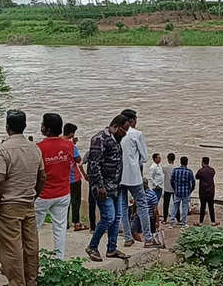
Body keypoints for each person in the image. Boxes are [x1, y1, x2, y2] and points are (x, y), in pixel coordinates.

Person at [0, 110, 46, 286]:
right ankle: (32, 281)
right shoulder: (34, 148)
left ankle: (16, 282)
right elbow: (42, 176)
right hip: (28, 202)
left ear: (7, 127)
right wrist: (34, 195)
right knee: (31, 246)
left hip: (8, 204)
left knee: (11, 248)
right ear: (24, 126)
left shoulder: (3, 149)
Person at [86, 115, 131, 262]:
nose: (125, 134)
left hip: (116, 186)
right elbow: (93, 164)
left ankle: (111, 248)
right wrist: (99, 186)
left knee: (117, 218)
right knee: (108, 217)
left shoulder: (116, 140)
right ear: (116, 127)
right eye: (124, 131)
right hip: (103, 187)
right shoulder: (99, 139)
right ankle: (92, 246)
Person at [35, 113, 73, 260]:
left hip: (43, 195)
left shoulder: (38, 148)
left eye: (43, 124)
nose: (41, 126)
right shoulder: (69, 145)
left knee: (33, 229)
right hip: (63, 193)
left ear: (48, 129)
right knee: (60, 228)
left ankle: (31, 260)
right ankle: (59, 260)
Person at [118, 109, 158, 247]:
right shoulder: (137, 134)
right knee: (142, 205)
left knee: (123, 207)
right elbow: (145, 157)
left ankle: (128, 238)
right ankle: (148, 238)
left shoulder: (116, 134)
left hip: (119, 176)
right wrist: (136, 161)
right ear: (132, 121)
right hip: (134, 176)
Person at [63, 123, 86, 231]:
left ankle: (65, 223)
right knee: (75, 201)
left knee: (65, 202)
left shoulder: (60, 143)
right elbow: (78, 159)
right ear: (72, 133)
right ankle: (76, 223)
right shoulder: (71, 146)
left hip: (63, 178)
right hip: (74, 178)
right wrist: (74, 145)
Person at [168, 156, 194, 229]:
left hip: (177, 192)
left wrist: (175, 188)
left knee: (175, 206)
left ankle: (172, 223)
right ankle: (183, 223)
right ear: (187, 162)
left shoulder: (175, 170)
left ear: (180, 162)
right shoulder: (189, 172)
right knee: (185, 207)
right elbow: (193, 182)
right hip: (186, 192)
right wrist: (190, 190)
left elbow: (171, 180)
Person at [195, 156, 218, 226]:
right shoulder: (212, 170)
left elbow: (196, 177)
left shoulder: (200, 171)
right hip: (211, 191)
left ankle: (201, 222)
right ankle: (213, 221)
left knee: (203, 206)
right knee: (211, 206)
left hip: (203, 191)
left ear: (202, 162)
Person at [161, 153, 179, 224]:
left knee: (166, 204)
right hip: (175, 188)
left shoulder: (165, 167)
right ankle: (178, 218)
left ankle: (165, 219)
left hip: (167, 188)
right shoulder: (176, 167)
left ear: (168, 159)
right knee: (176, 203)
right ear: (174, 159)